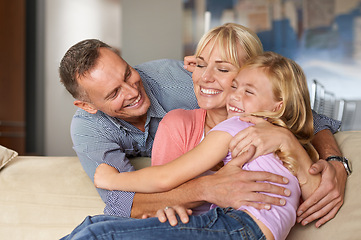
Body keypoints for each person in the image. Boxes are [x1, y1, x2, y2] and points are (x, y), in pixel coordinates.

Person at [59, 23, 345, 227]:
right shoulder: (89, 131)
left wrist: (335, 161)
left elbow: (296, 111)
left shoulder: (182, 82)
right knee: (95, 229)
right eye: (114, 93)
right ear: (88, 106)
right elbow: (124, 203)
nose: (132, 91)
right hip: (194, 217)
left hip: (233, 225)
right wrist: (204, 189)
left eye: (128, 74)